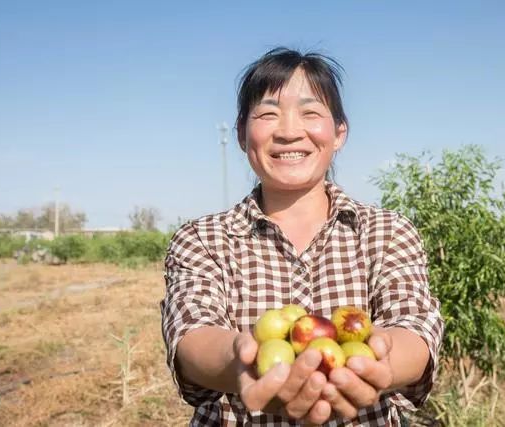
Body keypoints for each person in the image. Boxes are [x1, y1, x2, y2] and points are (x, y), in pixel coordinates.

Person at [161, 47, 444, 426]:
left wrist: (380, 362)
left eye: (310, 113)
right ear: (243, 135)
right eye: (267, 113)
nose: (290, 131)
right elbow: (192, 335)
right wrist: (243, 360)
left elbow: (415, 327)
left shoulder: (388, 232)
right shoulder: (203, 239)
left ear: (339, 132)